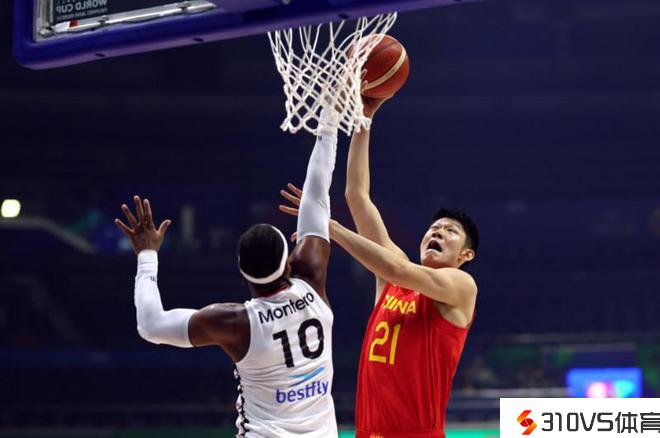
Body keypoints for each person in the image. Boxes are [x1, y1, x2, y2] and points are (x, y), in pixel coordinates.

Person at [115, 109, 341, 437]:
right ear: (289, 263)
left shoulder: (235, 322)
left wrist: (147, 254)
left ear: (243, 273)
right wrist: (329, 124)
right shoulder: (312, 280)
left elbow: (150, 325)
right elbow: (317, 196)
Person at [279, 96, 480, 438]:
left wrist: (332, 227)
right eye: (434, 227)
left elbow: (398, 271)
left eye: (450, 231)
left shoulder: (461, 286)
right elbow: (356, 196)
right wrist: (364, 119)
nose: (438, 232)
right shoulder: (393, 275)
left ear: (466, 255)